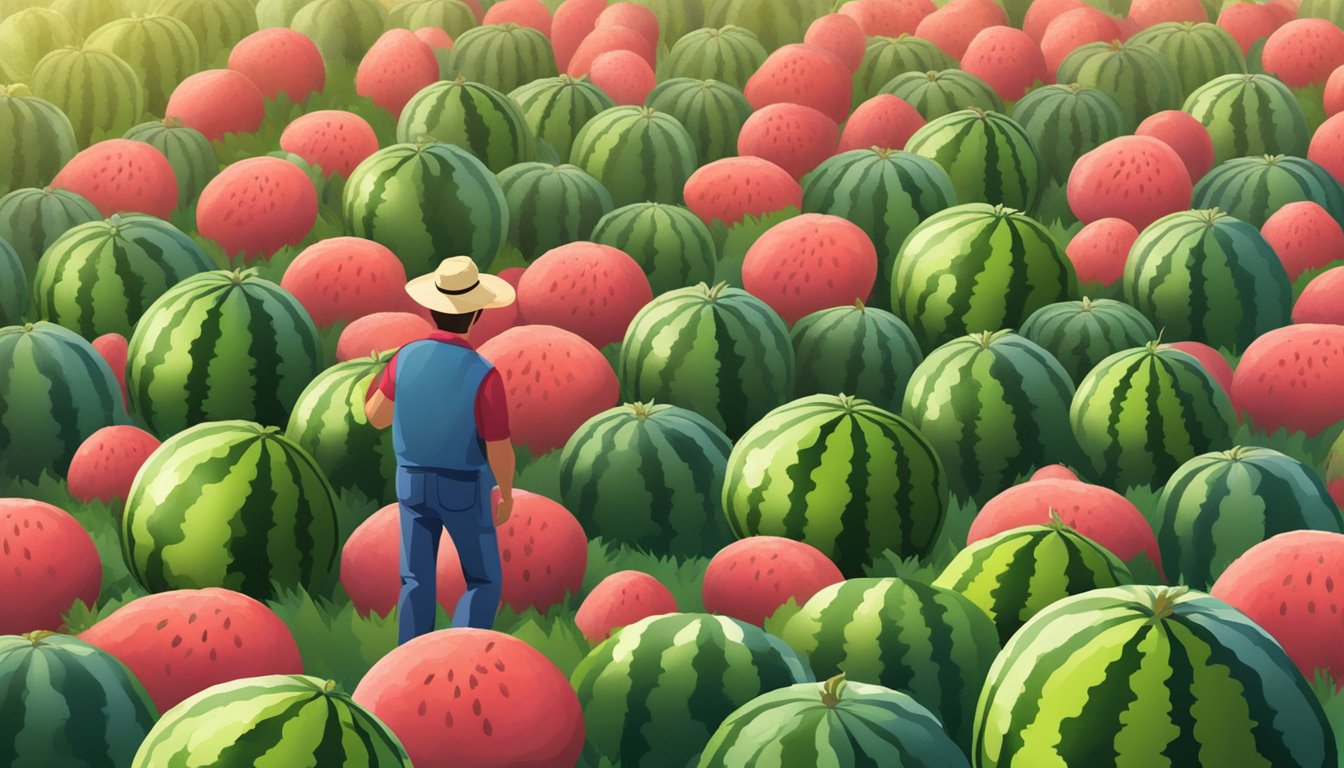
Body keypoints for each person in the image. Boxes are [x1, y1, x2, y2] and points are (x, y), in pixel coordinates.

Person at [363, 256, 517, 645]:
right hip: (462, 485)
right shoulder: (483, 372)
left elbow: (377, 416)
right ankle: (460, 654)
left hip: (411, 481)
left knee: (415, 578)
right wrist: (507, 490)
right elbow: (498, 445)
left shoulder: (406, 356)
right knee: (481, 578)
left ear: (432, 309)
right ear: (477, 314)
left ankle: (409, 656)